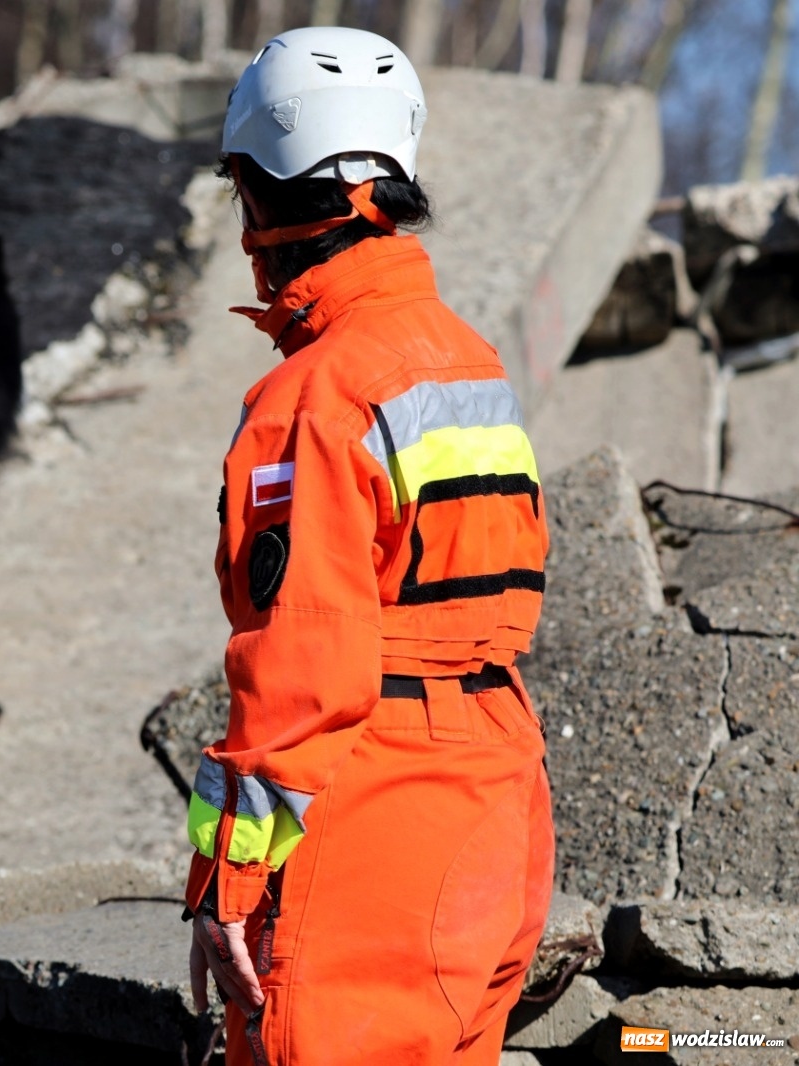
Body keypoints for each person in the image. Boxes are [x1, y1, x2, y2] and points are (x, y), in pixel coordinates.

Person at [184, 26, 555, 1065]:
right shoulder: (461, 356)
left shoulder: (312, 397)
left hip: (377, 816)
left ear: (258, 193)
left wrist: (226, 885)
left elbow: (303, 668)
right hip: (498, 792)